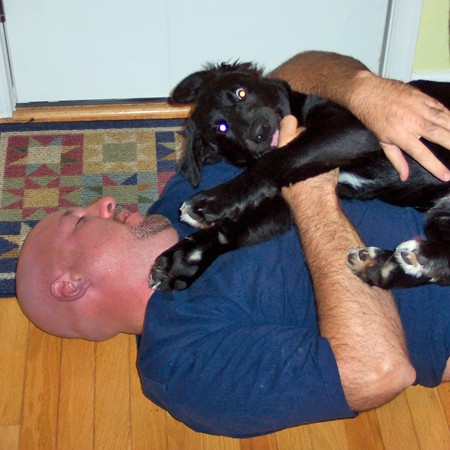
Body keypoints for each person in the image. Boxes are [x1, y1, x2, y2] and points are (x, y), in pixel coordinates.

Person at [16, 51, 450, 438]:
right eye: (78, 220)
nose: (104, 202)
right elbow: (379, 370)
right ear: (70, 285)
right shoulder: (180, 361)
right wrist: (309, 191)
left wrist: (364, 91)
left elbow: (288, 77)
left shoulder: (187, 196)